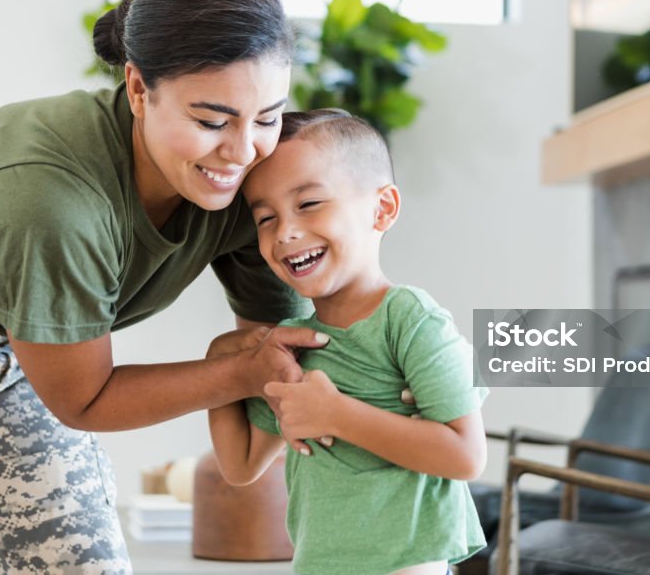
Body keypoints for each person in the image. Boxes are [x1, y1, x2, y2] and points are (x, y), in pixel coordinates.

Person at [0, 0, 330, 574]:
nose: (242, 150)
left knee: (85, 563)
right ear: (138, 88)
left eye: (267, 117)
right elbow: (84, 399)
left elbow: (282, 348)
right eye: (211, 120)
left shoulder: (252, 186)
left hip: (11, 349)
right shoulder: (47, 197)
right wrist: (237, 374)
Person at [208, 109, 489, 575]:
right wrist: (220, 362)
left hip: (407, 564)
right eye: (265, 218)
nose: (286, 232)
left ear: (383, 209)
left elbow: (465, 455)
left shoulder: (409, 318)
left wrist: (338, 415)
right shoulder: (290, 344)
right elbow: (241, 465)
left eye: (309, 204)